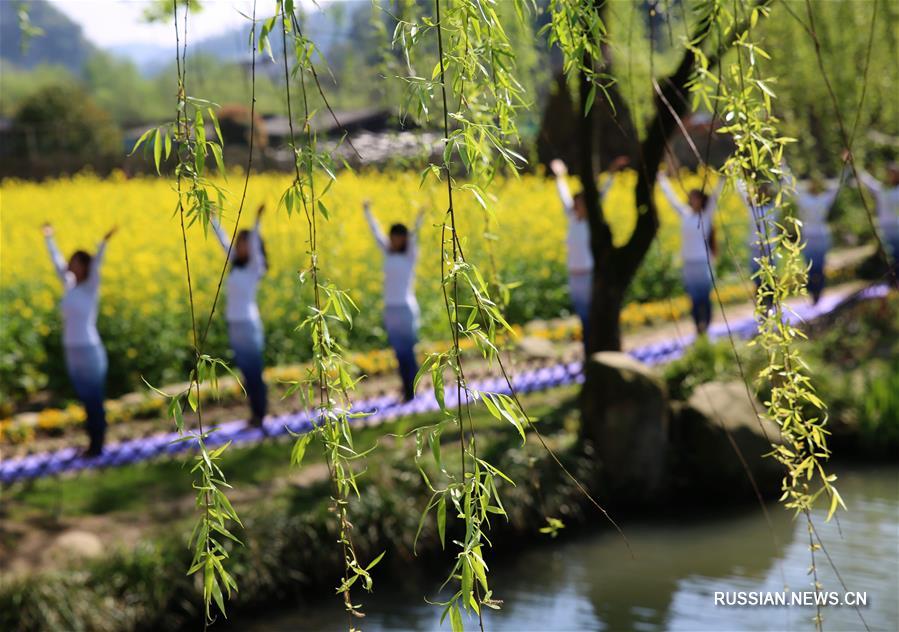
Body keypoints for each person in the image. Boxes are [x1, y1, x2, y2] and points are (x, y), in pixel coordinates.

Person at [43, 222, 117, 457]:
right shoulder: (69, 285)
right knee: (86, 399)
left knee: (94, 398)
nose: (70, 264)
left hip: (88, 349)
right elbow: (56, 263)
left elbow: (98, 264)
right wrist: (49, 238)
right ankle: (93, 444)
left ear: (85, 266)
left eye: (76, 261)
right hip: (72, 350)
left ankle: (98, 444)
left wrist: (103, 243)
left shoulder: (90, 287)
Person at [549, 156, 629, 351]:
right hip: (574, 275)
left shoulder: (590, 223)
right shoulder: (572, 219)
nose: (577, 206)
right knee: (583, 317)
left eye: (581, 203)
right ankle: (589, 350)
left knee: (593, 316)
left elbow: (602, 194)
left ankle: (597, 349)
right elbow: (563, 194)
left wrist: (611, 173)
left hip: (588, 275)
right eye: (575, 203)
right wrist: (560, 175)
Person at [211, 204, 269, 427]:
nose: (242, 245)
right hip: (234, 325)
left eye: (246, 242)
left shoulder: (256, 266)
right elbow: (222, 240)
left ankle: (260, 414)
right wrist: (213, 219)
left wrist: (256, 221)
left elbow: (255, 246)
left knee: (255, 372)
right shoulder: (235, 263)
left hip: (248, 325)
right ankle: (255, 414)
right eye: (240, 242)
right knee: (246, 373)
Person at [363, 200, 425, 401]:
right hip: (390, 309)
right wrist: (367, 211)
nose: (394, 240)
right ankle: (407, 389)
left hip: (405, 308)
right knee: (399, 354)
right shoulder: (387, 251)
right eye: (392, 236)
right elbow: (375, 233)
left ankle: (411, 390)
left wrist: (421, 215)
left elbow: (415, 233)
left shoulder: (409, 255)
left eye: (398, 237)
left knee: (408, 352)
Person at [658, 169, 724, 335]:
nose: (693, 200)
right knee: (694, 299)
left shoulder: (706, 216)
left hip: (703, 262)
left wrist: (723, 177)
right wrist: (662, 181)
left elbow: (716, 195)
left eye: (696, 197)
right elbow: (672, 199)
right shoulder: (685, 214)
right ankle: (698, 328)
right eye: (691, 197)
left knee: (704, 297)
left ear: (701, 200)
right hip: (688, 262)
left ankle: (707, 327)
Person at [791, 170, 843, 304]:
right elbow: (792, 185)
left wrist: (846, 167)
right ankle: (813, 293)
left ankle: (819, 293)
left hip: (821, 237)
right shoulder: (804, 199)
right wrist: (783, 166)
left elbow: (838, 186)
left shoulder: (824, 199)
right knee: (809, 268)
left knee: (819, 267)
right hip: (808, 237)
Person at [856, 162, 899, 279]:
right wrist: (853, 164)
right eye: (889, 174)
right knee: (890, 255)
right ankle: (894, 280)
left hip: (897, 227)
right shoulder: (882, 191)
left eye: (893, 174)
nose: (891, 176)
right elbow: (868, 181)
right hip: (885, 228)